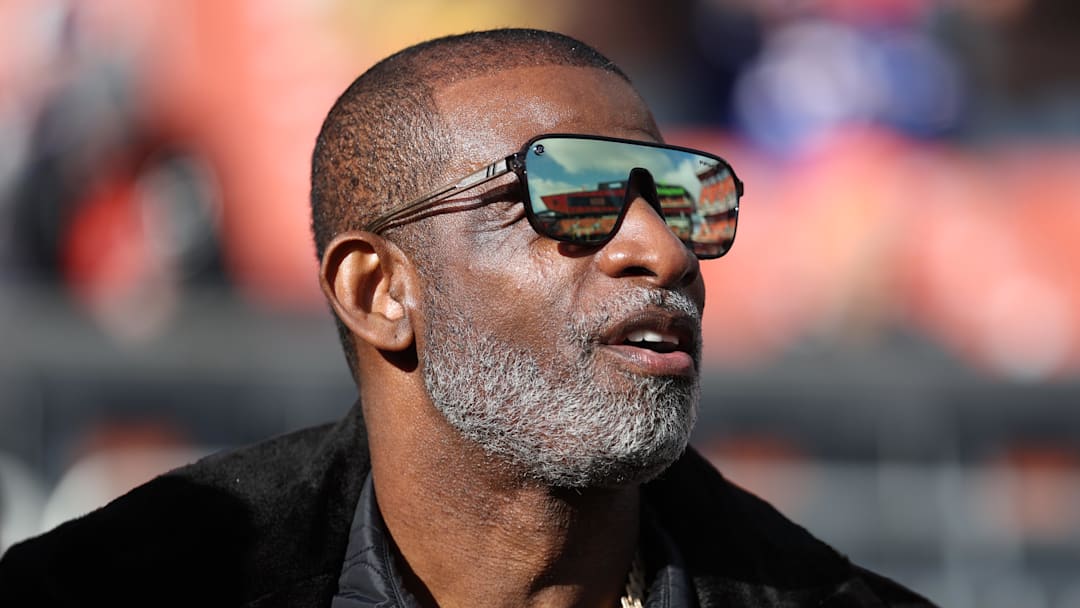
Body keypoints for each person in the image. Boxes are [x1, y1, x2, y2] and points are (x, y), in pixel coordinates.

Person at [0, 29, 935, 607]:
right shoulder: (111, 589)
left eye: (688, 199)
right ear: (379, 292)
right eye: (574, 194)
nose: (663, 251)